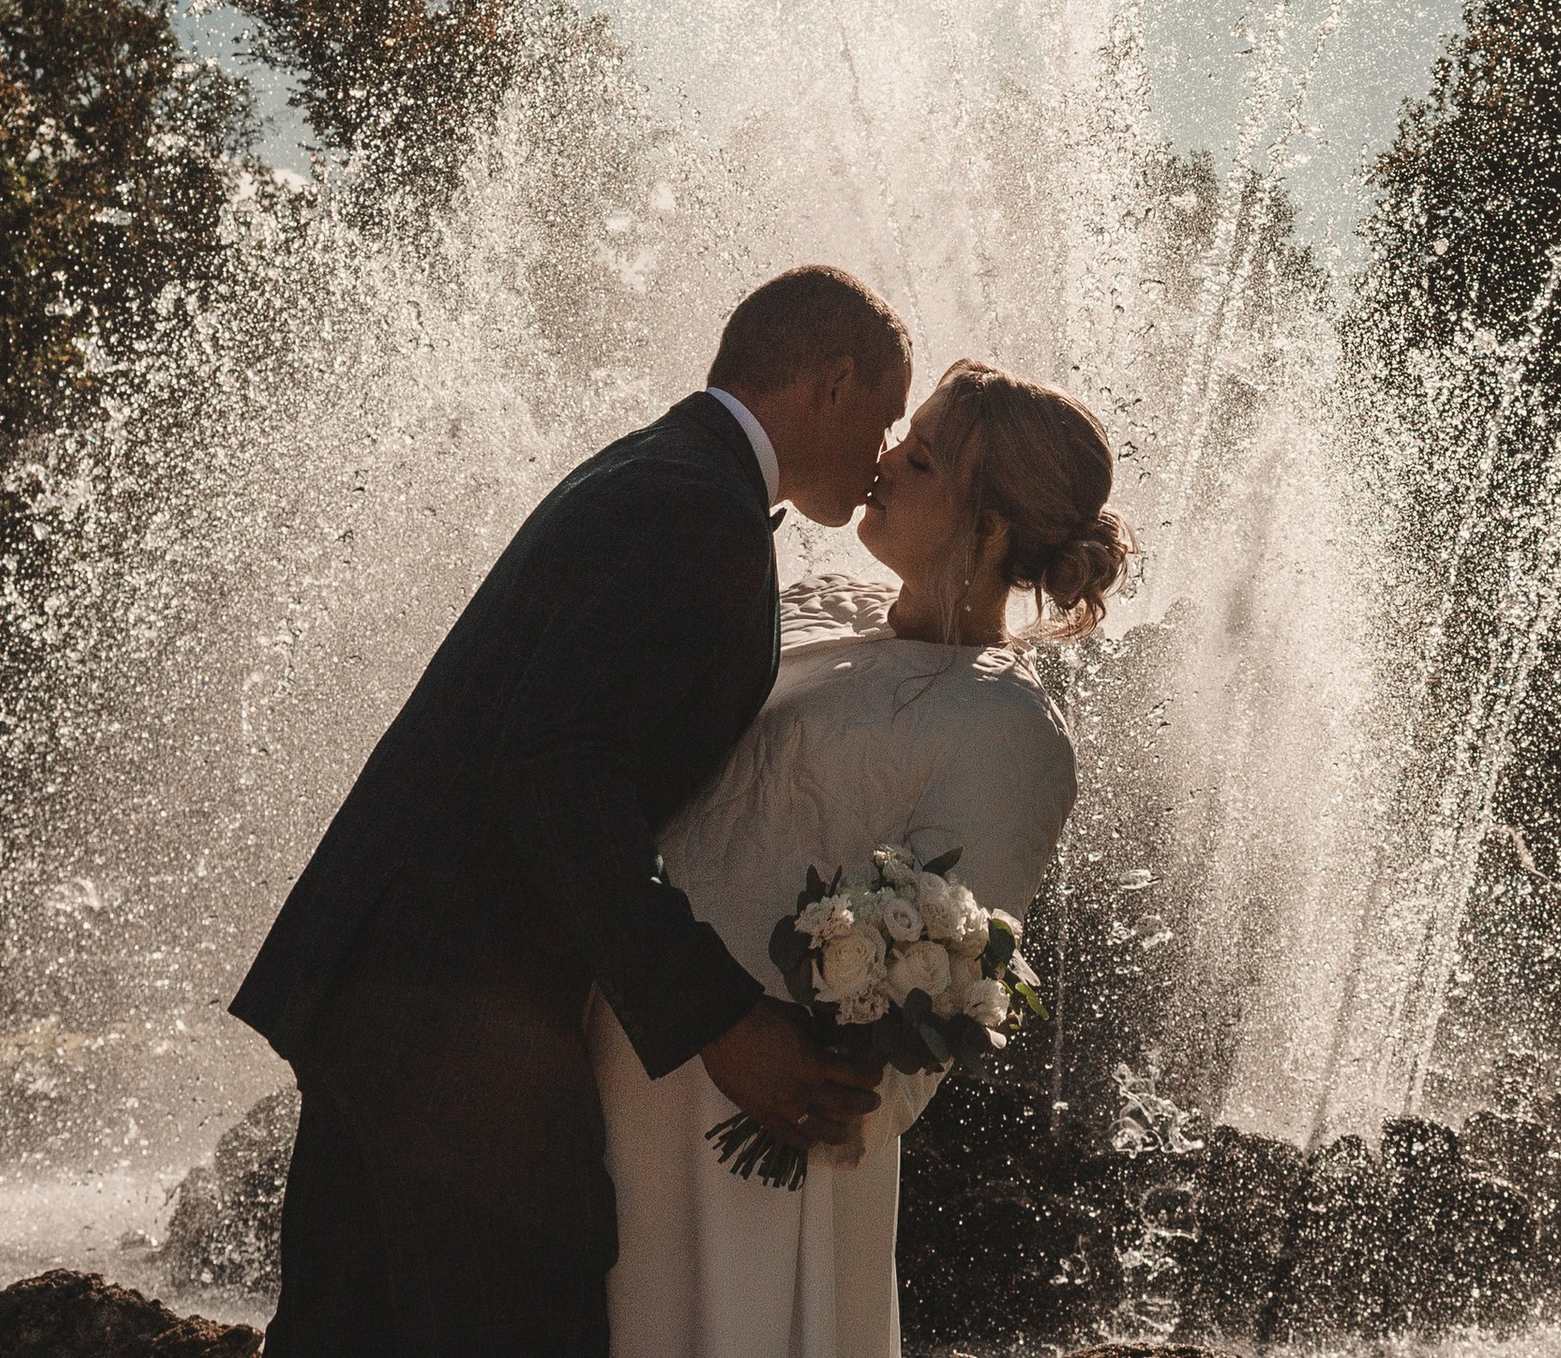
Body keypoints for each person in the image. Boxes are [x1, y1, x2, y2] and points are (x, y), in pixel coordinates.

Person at [238, 265, 913, 1358]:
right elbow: (559, 770)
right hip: (458, 1020)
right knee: (529, 1314)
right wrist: (722, 1022)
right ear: (833, 382)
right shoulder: (699, 510)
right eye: (883, 418)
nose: (883, 454)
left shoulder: (657, 470)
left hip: (384, 987)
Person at [589, 358, 1135, 1358]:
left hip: (749, 1125)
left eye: (920, 457)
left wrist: (815, 1094)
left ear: (992, 526)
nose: (882, 459)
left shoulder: (1007, 727)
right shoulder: (816, 598)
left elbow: (947, 983)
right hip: (631, 1041)